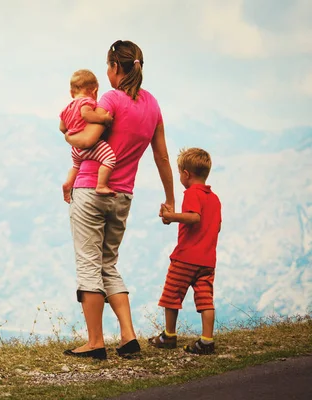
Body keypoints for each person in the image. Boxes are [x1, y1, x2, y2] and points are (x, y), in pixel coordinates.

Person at [62, 40, 175, 360]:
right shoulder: (153, 105)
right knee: (108, 264)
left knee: (88, 266)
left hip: (91, 190)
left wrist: (67, 135)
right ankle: (128, 336)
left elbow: (87, 139)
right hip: (123, 195)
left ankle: (95, 342)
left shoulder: (110, 99)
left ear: (115, 68)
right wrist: (170, 201)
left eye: (107, 66)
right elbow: (163, 157)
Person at [149, 148, 222, 355]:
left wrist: (172, 217)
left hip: (186, 257)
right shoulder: (214, 199)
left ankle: (168, 336)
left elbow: (194, 217)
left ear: (186, 174)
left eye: (179, 172)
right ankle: (207, 340)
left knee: (171, 295)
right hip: (207, 260)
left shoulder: (192, 194)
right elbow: (216, 226)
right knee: (205, 299)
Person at [59, 69, 116, 202]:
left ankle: (68, 184)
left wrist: (70, 133)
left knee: (76, 166)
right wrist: (104, 119)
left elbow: (62, 127)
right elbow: (86, 114)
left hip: (76, 150)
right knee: (109, 159)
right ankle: (101, 185)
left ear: (71, 93)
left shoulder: (67, 108)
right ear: (95, 91)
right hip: (90, 148)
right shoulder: (87, 102)